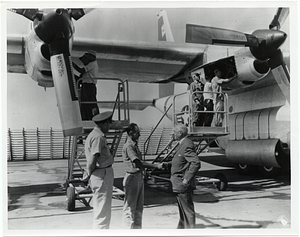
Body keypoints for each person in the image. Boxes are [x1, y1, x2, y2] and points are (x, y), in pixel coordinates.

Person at [122, 123, 163, 229]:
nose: (139, 135)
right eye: (137, 133)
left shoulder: (134, 145)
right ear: (131, 133)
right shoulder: (129, 146)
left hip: (138, 177)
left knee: (139, 208)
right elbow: (137, 162)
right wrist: (155, 166)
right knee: (130, 208)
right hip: (132, 178)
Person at [162, 124, 201, 228]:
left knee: (187, 212)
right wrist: (168, 164)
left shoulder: (187, 144)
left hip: (183, 184)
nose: (172, 134)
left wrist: (186, 179)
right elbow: (181, 161)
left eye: (174, 131)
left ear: (180, 133)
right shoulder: (181, 144)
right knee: (183, 213)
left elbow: (196, 163)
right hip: (179, 184)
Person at [84, 111, 114, 229]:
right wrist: (89, 173)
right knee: (102, 213)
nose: (109, 127)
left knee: (101, 211)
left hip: (99, 174)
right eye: (109, 124)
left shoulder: (93, 135)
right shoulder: (98, 137)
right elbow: (93, 160)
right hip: (102, 175)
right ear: (104, 123)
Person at [73, 50, 99, 120]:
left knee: (90, 103)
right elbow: (81, 77)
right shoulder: (91, 65)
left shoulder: (92, 64)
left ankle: (96, 118)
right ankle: (86, 118)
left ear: (90, 57)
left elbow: (81, 70)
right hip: (86, 86)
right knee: (85, 104)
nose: (83, 62)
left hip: (89, 86)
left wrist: (72, 64)